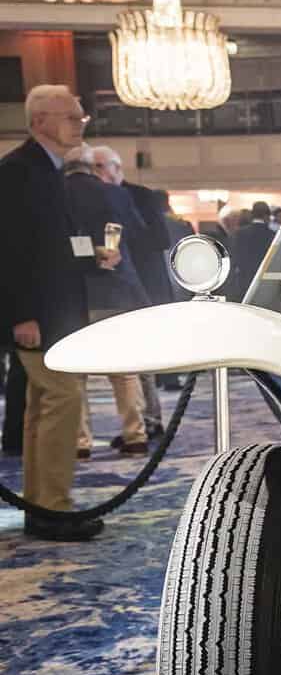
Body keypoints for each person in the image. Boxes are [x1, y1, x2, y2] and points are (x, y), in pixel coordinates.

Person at [0, 85, 101, 540]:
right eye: (71, 117)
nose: (80, 124)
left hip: (54, 312)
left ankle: (44, 506)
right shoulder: (19, 172)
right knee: (62, 400)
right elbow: (9, 250)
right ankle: (52, 508)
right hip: (36, 315)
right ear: (40, 121)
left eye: (81, 117)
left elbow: (46, 247)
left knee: (44, 406)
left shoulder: (47, 170)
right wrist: (21, 314)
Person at [63, 148, 152, 457]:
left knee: (75, 373)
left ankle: (80, 443)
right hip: (116, 289)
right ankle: (135, 436)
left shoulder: (58, 193)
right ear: (93, 168)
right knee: (124, 370)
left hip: (73, 292)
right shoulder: (116, 194)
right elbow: (139, 234)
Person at [87, 143, 167, 435]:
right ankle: (141, 422)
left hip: (141, 281)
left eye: (98, 167)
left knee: (141, 360)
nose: (93, 175)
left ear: (116, 168)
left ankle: (153, 419)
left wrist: (123, 245)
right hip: (115, 285)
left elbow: (158, 239)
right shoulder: (94, 198)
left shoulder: (141, 196)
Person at [225, 201, 275, 302]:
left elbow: (233, 258)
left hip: (243, 281)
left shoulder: (239, 233)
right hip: (264, 283)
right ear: (267, 216)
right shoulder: (273, 235)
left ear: (253, 215)